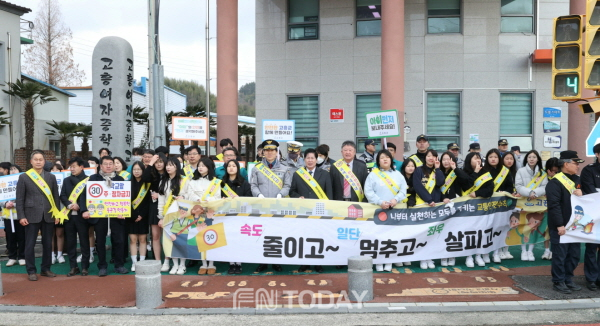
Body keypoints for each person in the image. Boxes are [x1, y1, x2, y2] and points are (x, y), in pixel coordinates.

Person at [15, 150, 61, 281]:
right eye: (36, 159)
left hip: (48, 215)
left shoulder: (51, 177)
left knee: (47, 243)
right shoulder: (24, 177)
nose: (39, 161)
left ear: (44, 161)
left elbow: (55, 197)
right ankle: (31, 271)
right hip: (30, 215)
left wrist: (57, 214)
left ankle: (46, 269)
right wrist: (21, 216)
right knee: (30, 244)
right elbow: (20, 199)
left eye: (41, 159)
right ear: (31, 161)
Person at [546, 150, 584, 294]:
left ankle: (568, 279)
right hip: (561, 226)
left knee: (574, 255)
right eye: (575, 163)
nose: (577, 166)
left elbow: (587, 201)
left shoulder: (577, 180)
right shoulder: (555, 183)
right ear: (566, 164)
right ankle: (558, 281)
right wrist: (559, 225)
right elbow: (554, 206)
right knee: (560, 255)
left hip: (576, 225)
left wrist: (583, 194)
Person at [250, 139, 292, 273]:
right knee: (262, 235)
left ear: (276, 152)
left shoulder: (284, 168)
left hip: (278, 206)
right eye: (267, 150)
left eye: (272, 150)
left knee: (276, 234)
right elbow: (253, 185)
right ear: (263, 152)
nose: (269, 153)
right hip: (261, 206)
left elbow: (287, 186)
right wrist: (258, 195)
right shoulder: (257, 168)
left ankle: (276, 261)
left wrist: (281, 194)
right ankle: (262, 261)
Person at [290, 148, 333, 273]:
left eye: (312, 158)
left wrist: (328, 210)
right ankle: (305, 262)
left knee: (318, 237)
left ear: (316, 160)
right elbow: (291, 191)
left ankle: (318, 262)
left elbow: (329, 193)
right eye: (307, 158)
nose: (310, 160)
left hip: (319, 211)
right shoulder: (298, 174)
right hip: (303, 211)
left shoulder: (324, 174)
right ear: (304, 160)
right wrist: (298, 197)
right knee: (304, 238)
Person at [365, 149, 408, 272]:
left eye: (387, 157)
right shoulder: (373, 175)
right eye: (382, 157)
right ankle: (378, 261)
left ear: (391, 160)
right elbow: (368, 191)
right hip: (378, 210)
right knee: (378, 237)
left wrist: (396, 200)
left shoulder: (398, 175)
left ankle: (389, 261)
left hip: (395, 210)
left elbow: (403, 191)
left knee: (392, 237)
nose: (385, 159)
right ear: (378, 160)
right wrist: (380, 202)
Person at [88, 156, 128, 276]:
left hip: (117, 215)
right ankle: (102, 266)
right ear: (101, 165)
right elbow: (87, 195)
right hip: (99, 215)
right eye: (106, 164)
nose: (109, 166)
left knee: (119, 240)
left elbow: (125, 197)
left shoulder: (120, 179)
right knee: (100, 240)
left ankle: (119, 265)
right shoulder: (94, 179)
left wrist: (124, 210)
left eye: (111, 164)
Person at [183, 157, 222, 275]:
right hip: (197, 212)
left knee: (211, 237)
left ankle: (211, 263)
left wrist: (209, 200)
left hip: (210, 212)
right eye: (199, 165)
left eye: (203, 166)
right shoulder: (192, 181)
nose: (200, 167)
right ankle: (203, 263)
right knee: (200, 238)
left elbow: (218, 197)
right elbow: (190, 194)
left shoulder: (215, 181)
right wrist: (198, 200)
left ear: (209, 168)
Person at [412, 149, 444, 270]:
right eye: (429, 156)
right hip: (422, 205)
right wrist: (428, 199)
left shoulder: (437, 170)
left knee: (432, 232)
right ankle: (422, 257)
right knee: (422, 233)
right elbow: (417, 186)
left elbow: (441, 183)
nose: (431, 158)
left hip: (434, 206)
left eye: (434, 156)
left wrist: (437, 169)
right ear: (425, 157)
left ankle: (429, 257)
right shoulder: (419, 170)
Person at [60, 157, 92, 277]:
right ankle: (73, 267)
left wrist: (82, 207)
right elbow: (62, 195)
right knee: (71, 242)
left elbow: (91, 197)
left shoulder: (88, 180)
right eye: (70, 167)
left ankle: (85, 267)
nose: (71, 169)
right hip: (69, 216)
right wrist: (69, 205)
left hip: (82, 216)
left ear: (81, 167)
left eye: (74, 166)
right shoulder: (67, 180)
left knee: (84, 241)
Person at [516, 150, 549, 261]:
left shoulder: (542, 172)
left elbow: (545, 186)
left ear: (538, 159)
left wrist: (536, 193)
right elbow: (518, 186)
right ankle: (523, 251)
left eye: (534, 157)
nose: (531, 159)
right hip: (523, 202)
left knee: (534, 227)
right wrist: (530, 192)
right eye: (529, 157)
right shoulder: (520, 171)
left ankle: (530, 251)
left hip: (536, 204)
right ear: (526, 159)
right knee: (523, 226)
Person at [438, 151, 470, 267]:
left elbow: (466, 181)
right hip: (442, 205)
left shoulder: (457, 172)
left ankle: (452, 255)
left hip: (455, 205)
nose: (446, 161)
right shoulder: (438, 172)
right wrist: (443, 198)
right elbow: (436, 188)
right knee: (442, 231)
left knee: (453, 231)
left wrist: (455, 169)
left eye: (449, 159)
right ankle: (443, 255)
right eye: (444, 159)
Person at [157, 157, 189, 275]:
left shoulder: (184, 180)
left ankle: (182, 265)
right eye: (167, 165)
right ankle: (174, 265)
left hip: (181, 215)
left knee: (181, 240)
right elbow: (161, 201)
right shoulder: (163, 181)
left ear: (177, 167)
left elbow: (189, 196)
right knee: (170, 240)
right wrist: (161, 217)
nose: (168, 167)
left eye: (171, 165)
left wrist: (183, 198)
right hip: (168, 216)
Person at [462, 152, 494, 268]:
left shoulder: (485, 173)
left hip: (481, 209)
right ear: (469, 160)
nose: (478, 160)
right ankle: (468, 256)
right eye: (475, 158)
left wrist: (478, 193)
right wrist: (475, 172)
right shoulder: (464, 172)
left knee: (480, 233)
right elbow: (466, 185)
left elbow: (490, 190)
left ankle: (478, 255)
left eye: (479, 158)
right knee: (469, 233)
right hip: (467, 209)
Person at [221, 159, 252, 274]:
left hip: (240, 216)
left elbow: (249, 197)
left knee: (238, 240)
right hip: (226, 216)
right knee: (229, 239)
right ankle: (231, 263)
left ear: (238, 168)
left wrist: (239, 199)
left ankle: (238, 264)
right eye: (229, 166)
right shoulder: (222, 183)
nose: (231, 168)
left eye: (234, 166)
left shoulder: (244, 183)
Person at [580, 143, 600, 291]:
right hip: (594, 215)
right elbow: (590, 191)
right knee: (592, 248)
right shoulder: (588, 170)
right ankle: (591, 279)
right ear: (597, 155)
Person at [144, 153, 168, 270]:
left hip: (167, 206)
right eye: (157, 162)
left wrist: (161, 195)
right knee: (155, 235)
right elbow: (144, 178)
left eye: (161, 162)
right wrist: (151, 162)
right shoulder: (152, 174)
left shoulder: (170, 175)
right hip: (154, 207)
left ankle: (167, 260)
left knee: (167, 235)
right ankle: (158, 261)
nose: (159, 165)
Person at [0, 162, 25, 267]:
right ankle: (12, 257)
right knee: (10, 237)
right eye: (11, 169)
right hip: (8, 216)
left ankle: (22, 257)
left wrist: (16, 204)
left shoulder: (24, 182)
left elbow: (27, 197)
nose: (13, 171)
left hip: (21, 215)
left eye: (15, 169)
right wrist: (5, 203)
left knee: (22, 237)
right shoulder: (3, 182)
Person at [128, 161, 150, 272]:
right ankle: (134, 263)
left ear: (143, 170)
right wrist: (133, 215)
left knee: (142, 239)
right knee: (132, 239)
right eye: (134, 169)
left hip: (144, 216)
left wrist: (141, 215)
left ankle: (141, 262)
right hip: (131, 216)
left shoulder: (147, 184)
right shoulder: (128, 184)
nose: (136, 171)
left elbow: (148, 202)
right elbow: (125, 201)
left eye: (139, 169)